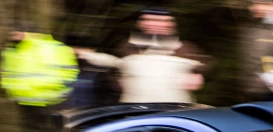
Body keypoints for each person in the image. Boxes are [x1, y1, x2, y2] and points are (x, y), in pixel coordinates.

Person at [74, 7, 210, 103]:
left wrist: (197, 74)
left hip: (175, 111)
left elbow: (206, 63)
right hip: (134, 109)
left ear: (171, 24)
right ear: (141, 23)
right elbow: (112, 64)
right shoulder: (127, 46)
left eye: (162, 21)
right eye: (150, 20)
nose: (157, 24)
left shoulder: (184, 48)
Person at [0, 24, 79, 132]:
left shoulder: (50, 47)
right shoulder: (13, 50)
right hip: (25, 100)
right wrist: (10, 91)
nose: (13, 36)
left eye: (16, 32)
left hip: (47, 99)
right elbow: (8, 73)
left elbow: (69, 72)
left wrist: (59, 91)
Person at [240, 0, 273, 101]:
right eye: (254, 4)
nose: (253, 8)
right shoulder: (254, 28)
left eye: (261, 4)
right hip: (253, 92)